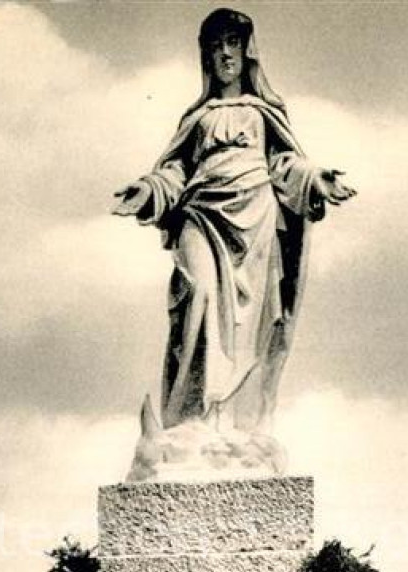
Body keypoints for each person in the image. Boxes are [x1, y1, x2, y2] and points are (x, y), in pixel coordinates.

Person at [114, 7, 355, 437]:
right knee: (198, 294)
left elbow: (286, 165)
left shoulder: (263, 113)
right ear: (207, 56)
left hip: (254, 219)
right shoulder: (198, 117)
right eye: (216, 46)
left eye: (232, 43)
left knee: (243, 327)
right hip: (201, 214)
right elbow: (175, 171)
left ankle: (224, 426)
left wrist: (316, 179)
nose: (225, 53)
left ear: (246, 52)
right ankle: (188, 420)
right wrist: (149, 190)